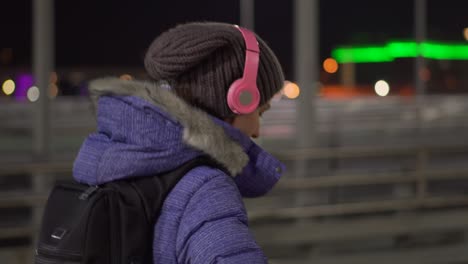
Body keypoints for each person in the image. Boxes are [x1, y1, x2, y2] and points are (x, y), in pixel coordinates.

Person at [72, 22, 286, 263]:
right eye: (261, 112)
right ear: (239, 98)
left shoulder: (102, 162)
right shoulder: (205, 189)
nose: (257, 131)